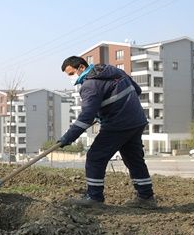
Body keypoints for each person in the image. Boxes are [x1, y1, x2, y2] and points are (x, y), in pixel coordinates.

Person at [58, 56, 157, 209]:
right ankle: (146, 197)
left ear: (81, 68)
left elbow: (86, 117)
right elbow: (137, 90)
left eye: (71, 74)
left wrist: (68, 137)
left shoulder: (90, 85)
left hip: (118, 124)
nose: (71, 78)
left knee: (95, 157)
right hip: (137, 120)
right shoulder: (114, 71)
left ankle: (94, 197)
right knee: (134, 159)